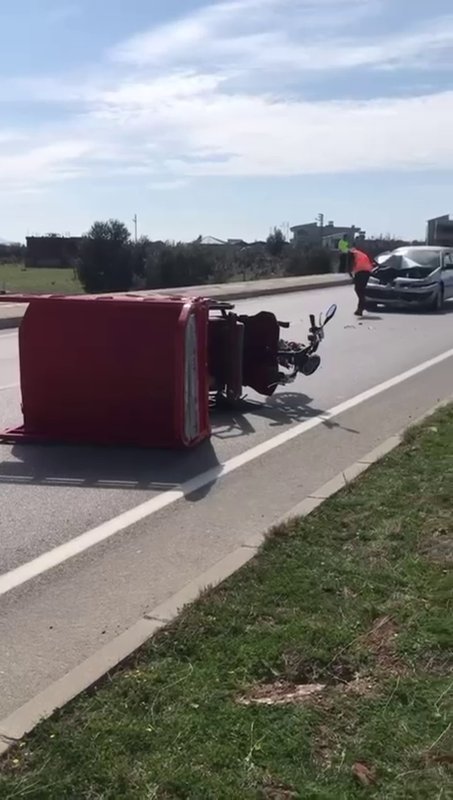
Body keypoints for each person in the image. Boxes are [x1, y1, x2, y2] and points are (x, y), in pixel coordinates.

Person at [349, 247, 374, 316]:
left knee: (358, 289)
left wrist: (350, 273)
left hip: (360, 271)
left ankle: (361, 306)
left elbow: (352, 263)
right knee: (361, 289)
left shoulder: (353, 253)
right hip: (367, 271)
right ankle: (362, 306)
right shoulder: (361, 254)